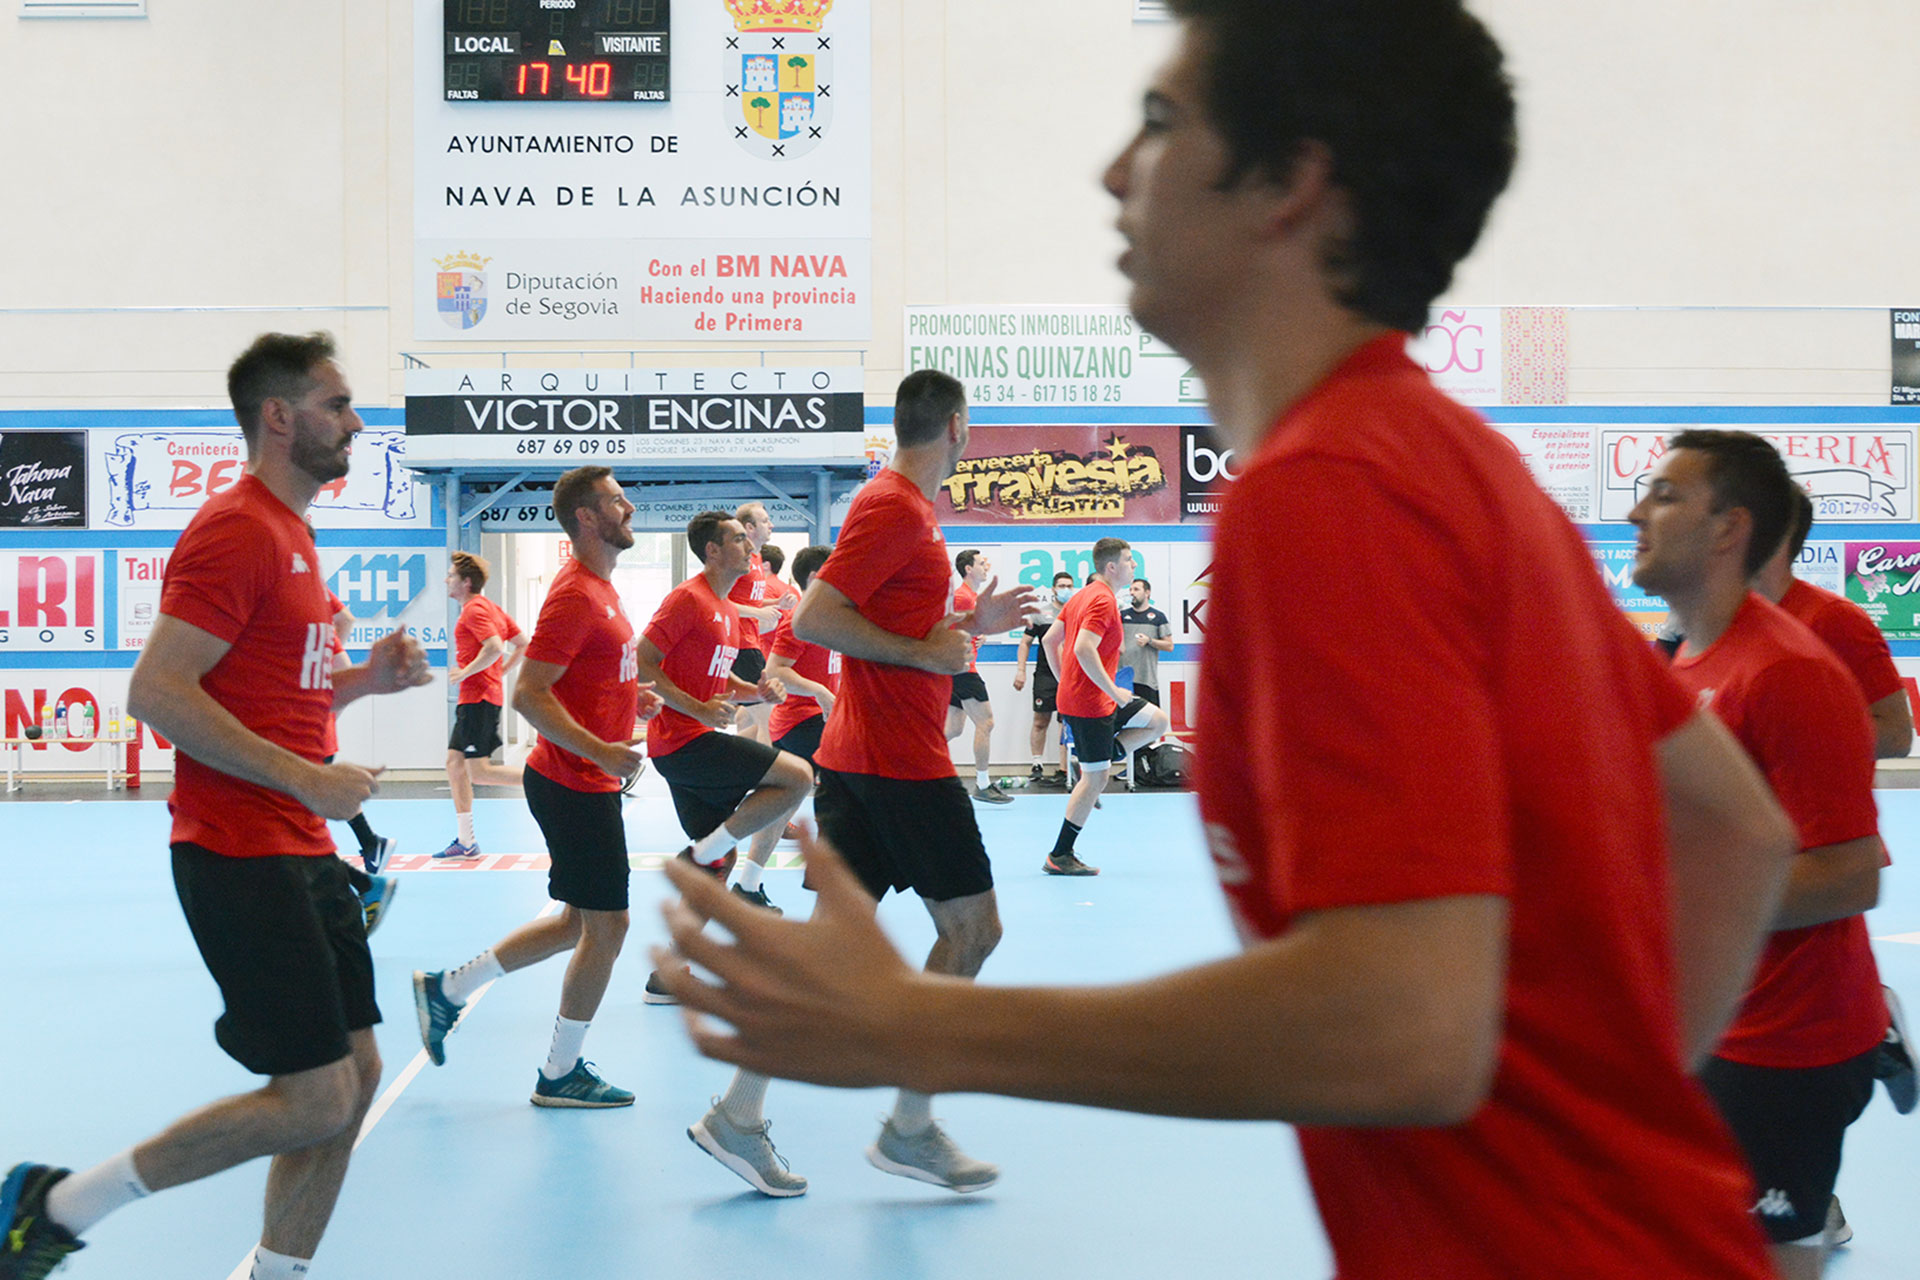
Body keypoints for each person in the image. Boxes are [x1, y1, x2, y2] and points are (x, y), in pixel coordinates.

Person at [651, 6, 1798, 1278]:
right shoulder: (1454, 464)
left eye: (1159, 123)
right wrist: (1604, 1114)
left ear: (1290, 182)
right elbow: (1736, 828)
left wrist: (917, 1027)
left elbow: (1403, 1033)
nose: (1113, 173)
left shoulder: (1332, 493)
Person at [2, 332, 431, 1280]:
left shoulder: (294, 536)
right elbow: (157, 692)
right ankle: (54, 1207)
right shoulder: (237, 529)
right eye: (336, 404)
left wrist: (365, 680)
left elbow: (280, 699)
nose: (357, 422)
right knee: (315, 1097)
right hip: (239, 850)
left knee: (353, 1081)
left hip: (300, 845)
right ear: (278, 417)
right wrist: (309, 780)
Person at [674, 369, 1039, 1200]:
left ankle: (738, 1115)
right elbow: (814, 618)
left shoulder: (910, 510)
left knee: (831, 952)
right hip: (898, 763)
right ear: (956, 425)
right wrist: (924, 651)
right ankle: (909, 1125)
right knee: (973, 933)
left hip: (863, 758)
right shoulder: (895, 506)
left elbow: (894, 621)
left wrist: (967, 625)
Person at [1631, 431, 1894, 1275]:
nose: (1636, 513)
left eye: (1666, 495)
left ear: (1728, 528)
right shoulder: (1682, 660)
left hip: (1786, 1045)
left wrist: (1658, 892)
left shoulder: (1789, 670)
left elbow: (1850, 875)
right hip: (1710, 1019)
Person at [411, 466, 662, 1109]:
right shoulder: (576, 593)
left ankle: (447, 990)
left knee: (577, 923)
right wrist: (601, 749)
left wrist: (633, 698)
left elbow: (584, 678)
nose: (630, 507)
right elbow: (528, 693)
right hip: (574, 781)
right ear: (586, 517)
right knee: (609, 927)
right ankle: (559, 1073)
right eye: (616, 500)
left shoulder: (603, 589)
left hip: (583, 778)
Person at [1754, 484, 1918, 1125]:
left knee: (1801, 977)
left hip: (1816, 836)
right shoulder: (1709, 629)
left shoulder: (1835, 621)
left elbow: (1895, 732)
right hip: (1744, 835)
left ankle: (1872, 1024)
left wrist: (1791, 734)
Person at [635, 509, 810, 941]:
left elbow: (722, 679)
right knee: (798, 777)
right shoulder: (687, 599)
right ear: (712, 551)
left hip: (690, 742)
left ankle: (673, 966)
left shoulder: (728, 610)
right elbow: (643, 660)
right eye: (737, 539)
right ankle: (706, 850)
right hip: (681, 743)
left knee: (719, 865)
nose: (750, 547)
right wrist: (696, 709)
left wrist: (757, 692)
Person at [1039, 539, 1171, 875]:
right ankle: (1060, 854)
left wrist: (1065, 681)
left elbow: (1050, 640)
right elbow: (1083, 648)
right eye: (1129, 560)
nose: (1134, 565)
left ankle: (1096, 764)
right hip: (1091, 703)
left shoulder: (1083, 595)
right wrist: (1112, 689)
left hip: (1093, 697)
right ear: (1111, 567)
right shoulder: (1101, 599)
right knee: (1095, 780)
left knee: (1157, 721)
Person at [318, 586, 398, 934]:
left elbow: (343, 659)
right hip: (301, 737)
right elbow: (345, 623)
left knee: (296, 830)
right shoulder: (309, 613)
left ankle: (362, 883)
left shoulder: (308, 624)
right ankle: (368, 858)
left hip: (301, 739)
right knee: (298, 828)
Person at [439, 550, 528, 859]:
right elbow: (522, 643)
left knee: (479, 772)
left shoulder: (474, 610)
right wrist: (500, 672)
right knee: (454, 764)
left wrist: (465, 672)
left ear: (466, 582)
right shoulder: (491, 607)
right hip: (475, 698)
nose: (446, 580)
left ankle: (549, 781)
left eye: (451, 575)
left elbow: (494, 647)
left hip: (479, 699)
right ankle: (466, 841)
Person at [728, 503, 800, 747]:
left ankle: (735, 759)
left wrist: (776, 602)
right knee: (767, 716)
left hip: (750, 642)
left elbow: (749, 600)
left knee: (749, 716)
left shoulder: (757, 558)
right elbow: (718, 600)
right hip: (739, 645)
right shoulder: (738, 559)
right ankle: (768, 766)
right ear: (749, 527)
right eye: (765, 521)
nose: (771, 525)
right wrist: (757, 612)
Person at [945, 549, 1011, 804]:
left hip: (957, 670)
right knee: (986, 723)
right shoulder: (963, 597)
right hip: (963, 670)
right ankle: (982, 784)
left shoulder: (970, 597)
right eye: (982, 563)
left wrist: (978, 636)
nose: (986, 567)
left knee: (952, 729)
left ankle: (910, 768)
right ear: (968, 569)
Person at [766, 544, 840, 768]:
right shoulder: (799, 620)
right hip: (799, 722)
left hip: (821, 716)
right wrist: (819, 691)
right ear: (815, 577)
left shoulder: (829, 617)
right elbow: (774, 671)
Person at [1014, 570, 1074, 789]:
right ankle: (1037, 764)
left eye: (1069, 586)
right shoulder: (1040, 614)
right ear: (1053, 589)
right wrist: (1020, 670)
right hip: (1045, 675)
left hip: (1069, 676)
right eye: (1062, 586)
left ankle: (1065, 769)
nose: (1065, 589)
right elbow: (1025, 643)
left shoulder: (1076, 613)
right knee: (1040, 720)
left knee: (1066, 723)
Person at [1119, 577, 1174, 707]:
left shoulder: (1158, 617)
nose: (1132, 593)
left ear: (1147, 593)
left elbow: (1169, 646)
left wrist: (1149, 640)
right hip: (1124, 680)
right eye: (1130, 590)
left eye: (1136, 589)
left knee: (1151, 717)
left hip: (1146, 679)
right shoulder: (1121, 616)